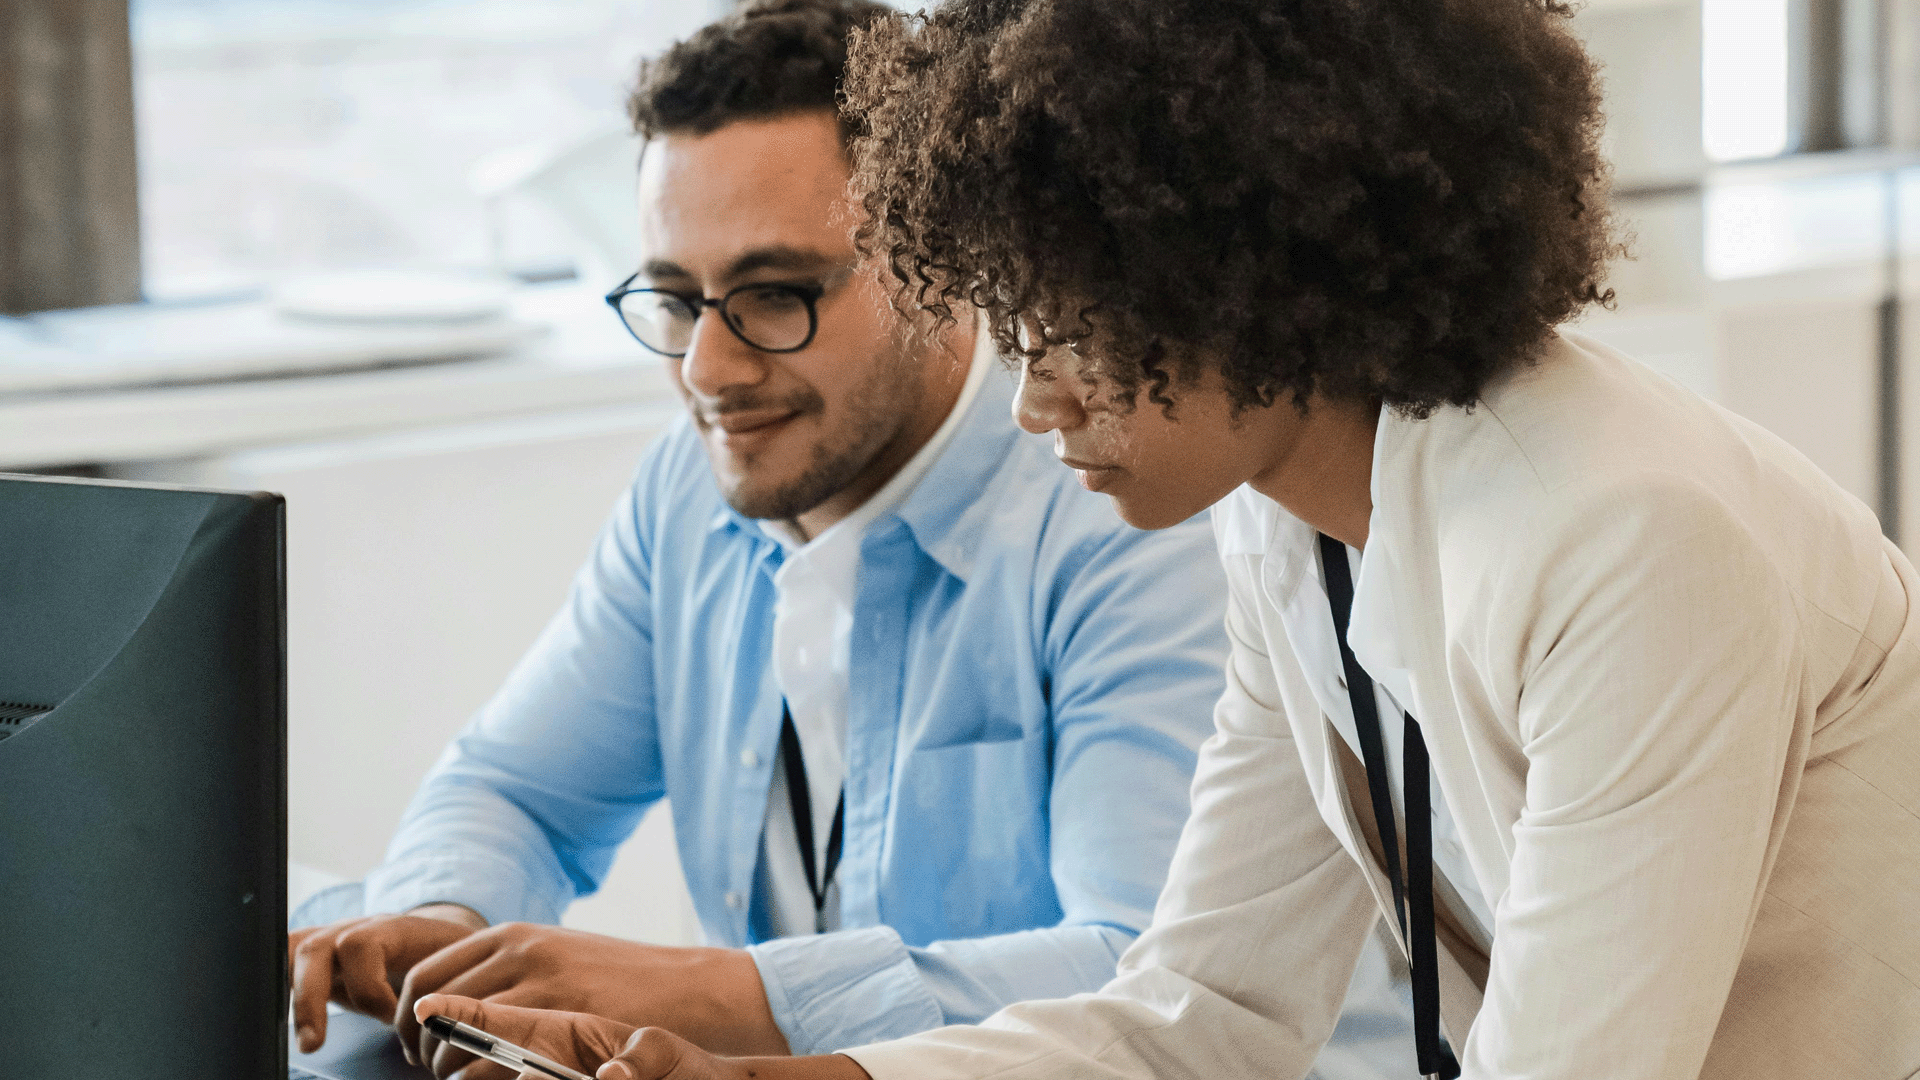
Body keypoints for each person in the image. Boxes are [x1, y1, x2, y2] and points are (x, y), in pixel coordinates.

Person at [405, 0, 1920, 1077]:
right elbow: (1202, 1014)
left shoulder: (1623, 536)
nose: (1033, 395)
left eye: (1075, 323)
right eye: (1018, 322)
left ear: (1255, 265)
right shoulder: (1291, 527)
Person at [288, 3, 1416, 1079]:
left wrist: (715, 996)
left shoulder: (1135, 504)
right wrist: (440, 931)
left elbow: (1143, 976)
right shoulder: (691, 488)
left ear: (943, 267)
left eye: (776, 294)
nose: (709, 372)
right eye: (676, 300)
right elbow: (515, 791)